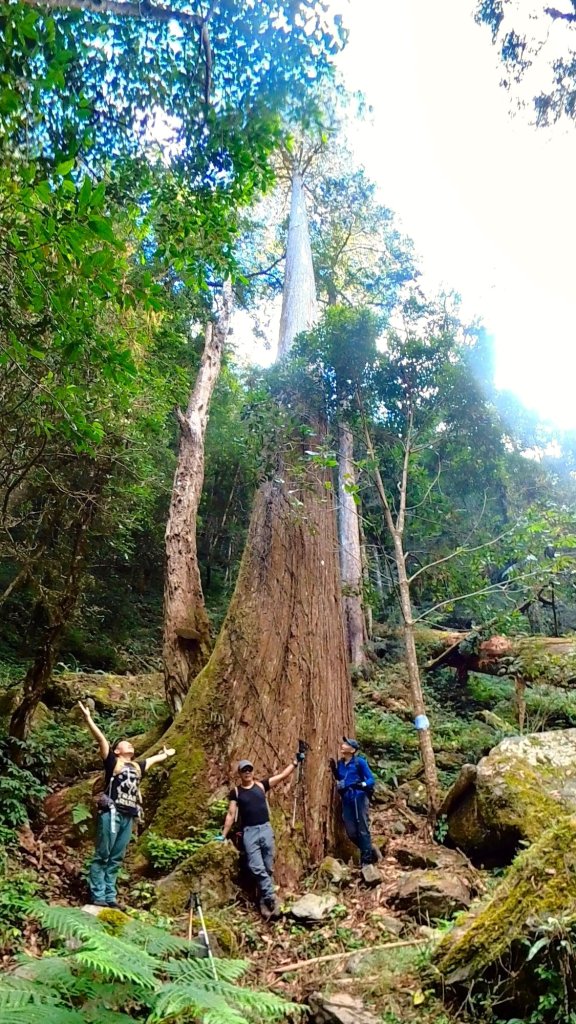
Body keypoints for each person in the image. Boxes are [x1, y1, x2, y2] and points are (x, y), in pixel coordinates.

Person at [78, 700, 175, 909]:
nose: (130, 745)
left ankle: (110, 896)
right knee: (103, 854)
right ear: (117, 750)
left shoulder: (136, 766)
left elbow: (153, 760)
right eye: (125, 743)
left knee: (116, 857)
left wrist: (165, 755)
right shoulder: (113, 762)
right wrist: (88, 719)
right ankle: (97, 894)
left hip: (128, 816)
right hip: (111, 813)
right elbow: (101, 739)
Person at [218, 750, 305, 919]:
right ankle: (271, 897)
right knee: (256, 867)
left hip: (265, 829)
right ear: (240, 773)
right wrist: (223, 835)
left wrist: (295, 762)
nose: (248, 772)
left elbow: (281, 777)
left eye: (249, 769)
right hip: (249, 832)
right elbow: (230, 814)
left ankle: (264, 899)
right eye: (244, 770)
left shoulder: (260, 785)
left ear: (252, 771)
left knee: (267, 867)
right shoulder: (236, 792)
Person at [330, 736, 379, 868]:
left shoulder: (360, 763)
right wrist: (334, 771)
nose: (343, 745)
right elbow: (341, 778)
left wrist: (362, 784)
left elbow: (371, 779)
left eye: (346, 744)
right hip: (347, 798)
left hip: (359, 796)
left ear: (352, 750)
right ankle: (368, 848)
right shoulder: (341, 763)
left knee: (362, 826)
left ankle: (367, 859)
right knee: (351, 831)